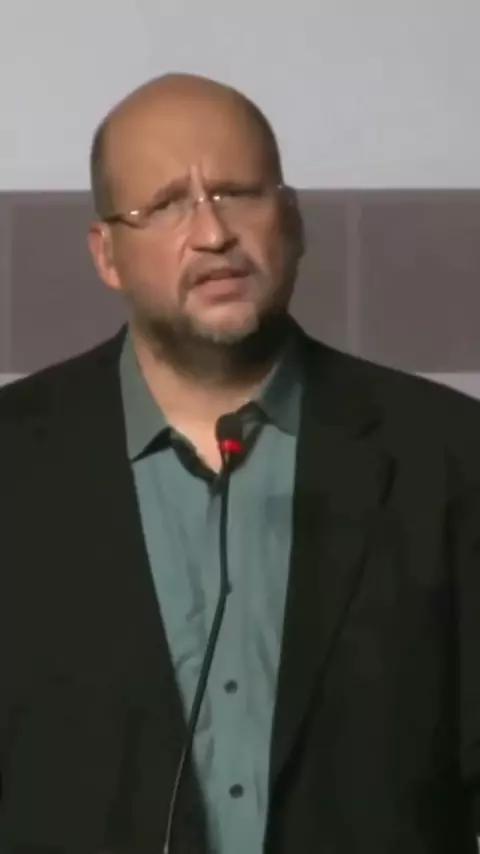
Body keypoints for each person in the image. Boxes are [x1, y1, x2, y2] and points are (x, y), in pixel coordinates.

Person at [1, 73, 480, 854]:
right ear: (107, 255)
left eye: (237, 192)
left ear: (292, 219)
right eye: (165, 205)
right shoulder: (15, 461)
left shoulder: (452, 457)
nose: (213, 233)